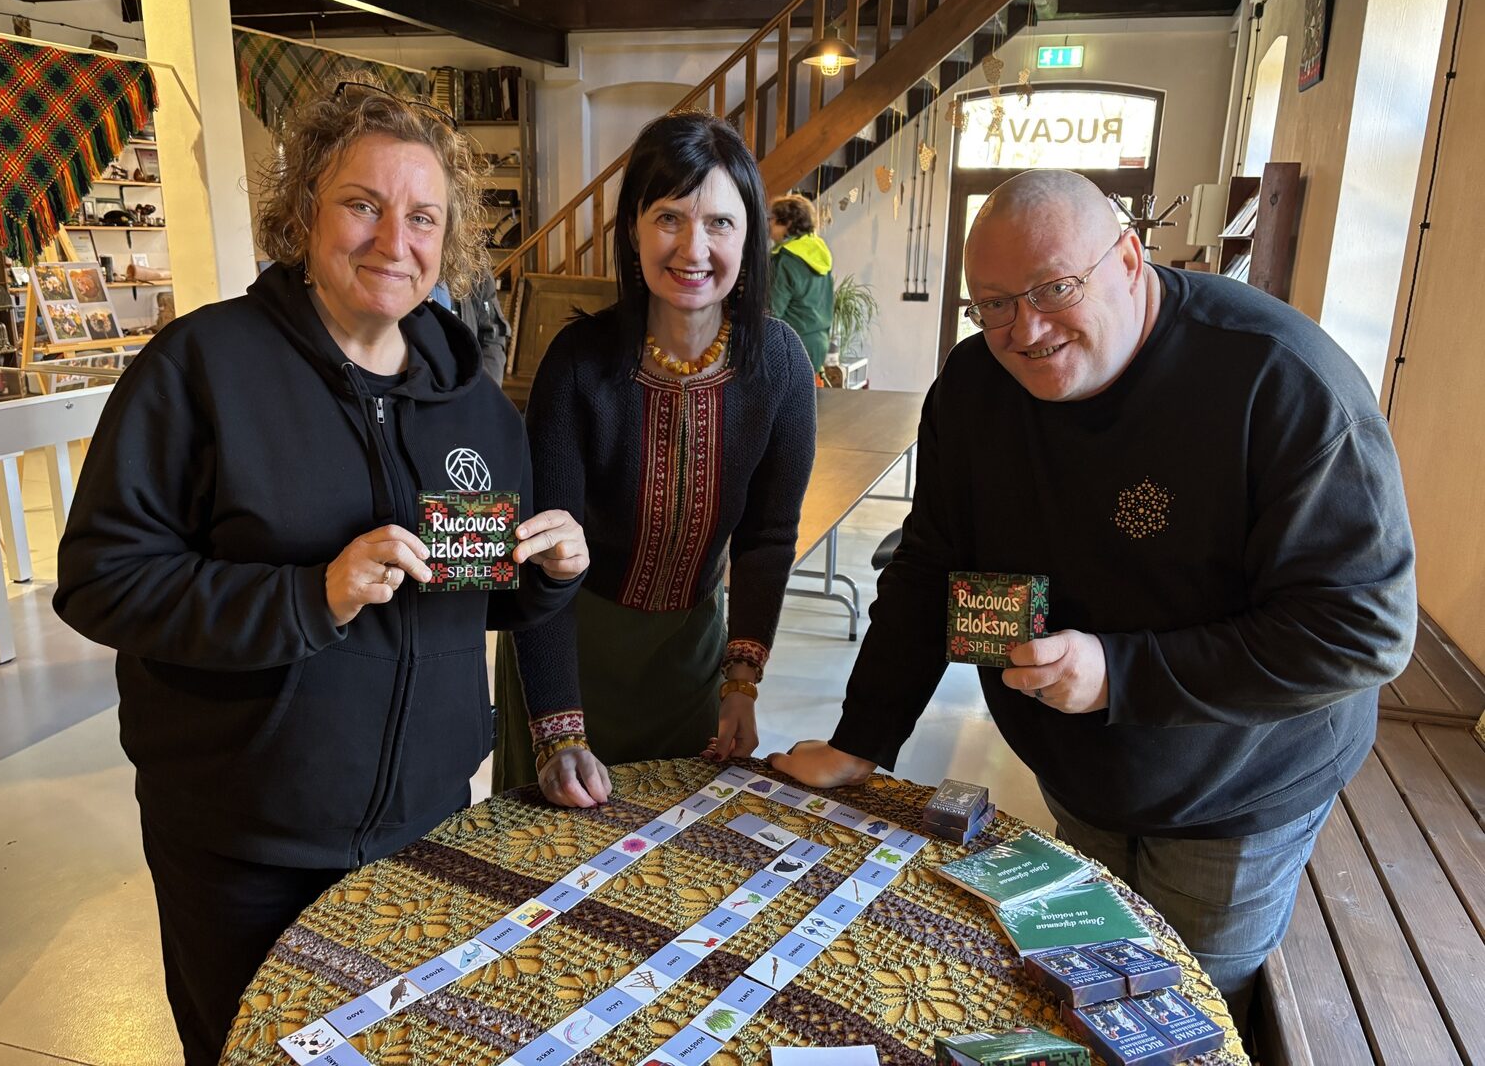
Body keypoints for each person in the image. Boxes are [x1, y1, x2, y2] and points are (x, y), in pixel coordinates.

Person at [771, 169, 1415, 1028]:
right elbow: (929, 567)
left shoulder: (1279, 377)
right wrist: (862, 739)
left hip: (1238, 788)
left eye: (1055, 289)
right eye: (993, 304)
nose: (1025, 331)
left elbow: (1361, 631)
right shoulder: (974, 383)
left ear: (1129, 259)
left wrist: (1119, 672)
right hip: (1076, 773)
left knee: (1173, 1019)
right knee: (1079, 997)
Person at [53, 79, 589, 1065]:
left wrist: (545, 573)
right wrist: (311, 595)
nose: (393, 239)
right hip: (245, 843)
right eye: (361, 204)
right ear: (303, 213)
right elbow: (102, 579)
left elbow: (474, 596)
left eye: (421, 216)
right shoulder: (203, 365)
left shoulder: (473, 404)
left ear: (448, 242)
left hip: (425, 827)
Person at [494, 112, 817, 806]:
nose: (693, 248)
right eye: (669, 217)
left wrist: (740, 680)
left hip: (690, 656)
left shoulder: (782, 365)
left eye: (720, 223)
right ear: (633, 230)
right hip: (567, 652)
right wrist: (557, 731)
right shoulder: (577, 363)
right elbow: (541, 548)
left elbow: (767, 538)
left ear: (751, 237)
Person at [767, 192, 835, 372]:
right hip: (818, 343)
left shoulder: (785, 259)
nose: (769, 224)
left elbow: (771, 311)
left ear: (788, 223)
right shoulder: (818, 252)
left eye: (773, 220)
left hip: (791, 344)